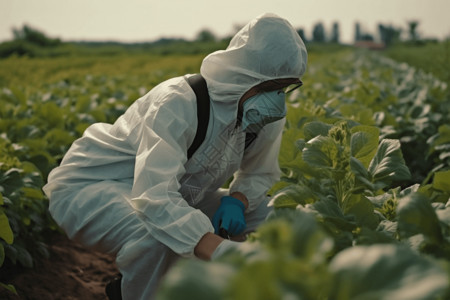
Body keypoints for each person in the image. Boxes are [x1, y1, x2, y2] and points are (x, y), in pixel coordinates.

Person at [43, 12, 307, 300]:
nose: (278, 100)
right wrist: (220, 250)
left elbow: (260, 173)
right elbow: (154, 197)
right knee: (157, 234)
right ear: (246, 76)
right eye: (271, 88)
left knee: (276, 212)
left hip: (172, 194)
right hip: (90, 187)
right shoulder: (179, 102)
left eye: (285, 88)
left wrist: (237, 200)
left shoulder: (262, 114)